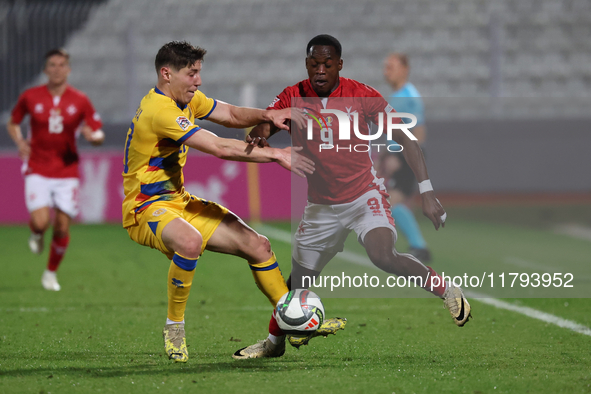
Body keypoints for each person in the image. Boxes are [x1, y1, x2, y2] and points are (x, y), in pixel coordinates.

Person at [235, 35, 471, 359]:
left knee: (382, 255)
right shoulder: (293, 96)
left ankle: (445, 290)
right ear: (306, 65)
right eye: (314, 64)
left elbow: (407, 138)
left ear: (339, 65)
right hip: (320, 206)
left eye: (327, 64)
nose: (320, 70)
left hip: (364, 196)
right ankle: (273, 345)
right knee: (296, 286)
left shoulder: (362, 95)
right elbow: (267, 125)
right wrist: (259, 135)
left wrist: (427, 192)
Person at [122, 41, 316, 363]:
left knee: (259, 246)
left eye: (199, 73)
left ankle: (292, 318)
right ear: (166, 74)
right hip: (144, 207)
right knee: (189, 241)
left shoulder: (185, 99)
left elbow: (229, 114)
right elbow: (218, 147)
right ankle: (174, 327)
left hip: (178, 201)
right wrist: (277, 154)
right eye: (192, 73)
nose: (198, 81)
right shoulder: (160, 111)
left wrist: (269, 114)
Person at [6, 48, 105, 291]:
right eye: (52, 64)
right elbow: (13, 121)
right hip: (37, 168)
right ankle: (37, 234)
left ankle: (50, 273)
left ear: (68, 69)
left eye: (61, 65)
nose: (57, 69)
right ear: (45, 69)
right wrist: (20, 142)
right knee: (40, 223)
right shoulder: (31, 96)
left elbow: (97, 130)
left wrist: (93, 137)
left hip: (67, 170)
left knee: (61, 226)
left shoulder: (80, 99)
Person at [378, 53, 431, 262]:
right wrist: (384, 155)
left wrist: (401, 157)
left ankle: (416, 246)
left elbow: (419, 133)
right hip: (397, 154)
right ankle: (418, 246)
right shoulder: (397, 96)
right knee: (393, 200)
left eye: (390, 67)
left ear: (404, 69)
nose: (386, 71)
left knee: (391, 200)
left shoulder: (409, 96)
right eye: (385, 67)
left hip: (407, 155)